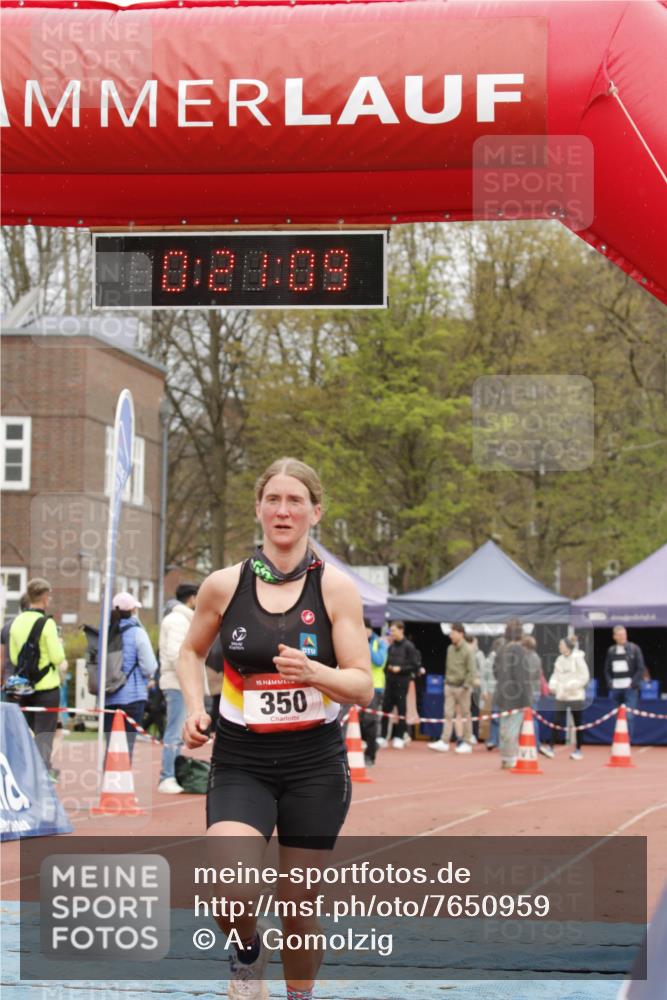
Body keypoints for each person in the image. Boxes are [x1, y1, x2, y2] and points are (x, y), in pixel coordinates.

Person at [177, 457, 372, 1000]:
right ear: (259, 509)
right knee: (229, 890)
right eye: (273, 500)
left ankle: (297, 996)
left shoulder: (336, 590)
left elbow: (362, 685)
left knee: (297, 907)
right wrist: (195, 705)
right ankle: (246, 952)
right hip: (242, 760)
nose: (283, 510)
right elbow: (190, 652)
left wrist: (315, 673)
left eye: (295, 501)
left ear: (315, 512)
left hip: (315, 766)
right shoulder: (223, 585)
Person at [8, 579, 67, 779]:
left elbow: (14, 656)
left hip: (24, 687)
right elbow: (57, 657)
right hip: (47, 687)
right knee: (44, 734)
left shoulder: (16, 622)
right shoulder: (47, 624)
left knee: (27, 733)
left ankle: (25, 773)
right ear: (44, 598)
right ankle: (42, 774)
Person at [104, 592, 157, 761]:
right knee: (126, 745)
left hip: (108, 696)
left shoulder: (105, 633)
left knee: (111, 745)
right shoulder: (137, 633)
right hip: (132, 696)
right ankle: (121, 783)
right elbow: (150, 666)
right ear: (133, 610)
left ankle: (109, 780)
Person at [157, 583, 199, 793]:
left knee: (178, 730)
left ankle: (171, 774)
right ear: (192, 598)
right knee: (174, 731)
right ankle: (167, 776)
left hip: (179, 681)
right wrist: (188, 677)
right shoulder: (177, 621)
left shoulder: (183, 620)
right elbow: (176, 654)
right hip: (177, 682)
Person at [427, 623, 477, 754]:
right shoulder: (450, 648)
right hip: (449, 685)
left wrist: (466, 685)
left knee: (466, 714)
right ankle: (444, 741)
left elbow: (471, 670)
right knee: (448, 714)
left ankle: (467, 742)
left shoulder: (468, 650)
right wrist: (446, 683)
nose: (450, 635)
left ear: (461, 633)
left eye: (453, 633)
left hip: (463, 688)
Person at [493, 619, 533, 770]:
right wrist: (527, 699)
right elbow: (521, 676)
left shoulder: (501, 648)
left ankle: (505, 757)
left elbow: (495, 670)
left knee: (504, 728)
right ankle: (510, 758)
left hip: (502, 693)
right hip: (516, 696)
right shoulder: (519, 650)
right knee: (513, 728)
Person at [377, 621, 421, 749]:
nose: (392, 633)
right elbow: (386, 665)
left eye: (394, 630)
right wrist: (387, 671)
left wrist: (400, 669)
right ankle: (383, 736)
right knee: (386, 709)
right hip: (390, 684)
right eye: (391, 631)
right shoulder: (391, 647)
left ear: (401, 630)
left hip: (402, 684)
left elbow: (415, 666)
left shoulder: (409, 646)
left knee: (402, 711)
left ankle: (400, 737)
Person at [548, 637, 590, 760]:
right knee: (556, 721)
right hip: (561, 696)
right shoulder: (559, 660)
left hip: (575, 697)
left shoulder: (578, 659)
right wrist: (553, 685)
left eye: (561, 644)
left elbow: (584, 676)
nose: (559, 646)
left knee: (578, 723)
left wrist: (572, 686)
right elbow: (555, 675)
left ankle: (578, 749)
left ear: (567, 646)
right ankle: (551, 747)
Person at [604, 625, 645, 738]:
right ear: (615, 636)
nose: (623, 637)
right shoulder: (611, 650)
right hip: (616, 688)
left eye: (624, 634)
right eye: (620, 635)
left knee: (629, 716)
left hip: (629, 689)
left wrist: (632, 684)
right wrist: (610, 683)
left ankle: (627, 742)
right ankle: (617, 741)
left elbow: (641, 668)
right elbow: (607, 670)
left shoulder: (634, 648)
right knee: (616, 716)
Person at [360, 618, 388, 766]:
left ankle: (370, 755)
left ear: (370, 629)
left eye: (363, 629)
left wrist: (366, 646)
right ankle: (370, 745)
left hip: (375, 687)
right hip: (358, 685)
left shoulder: (380, 643)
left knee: (370, 721)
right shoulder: (355, 641)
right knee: (356, 720)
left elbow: (378, 661)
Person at [479, 637, 501, 751]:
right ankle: (493, 740)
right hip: (494, 692)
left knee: (498, 717)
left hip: (502, 692)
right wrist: (484, 690)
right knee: (495, 717)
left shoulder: (506, 658)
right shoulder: (490, 659)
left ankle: (497, 740)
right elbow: (484, 676)